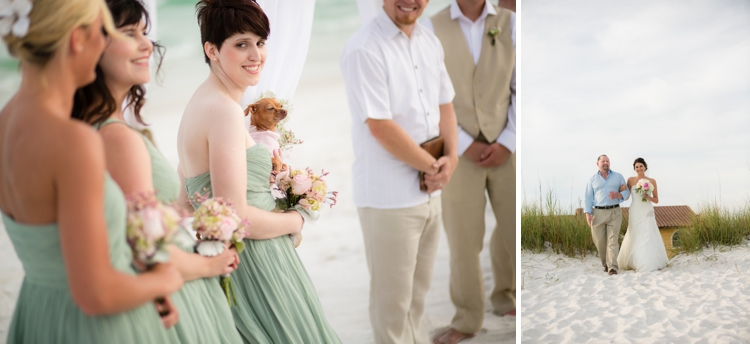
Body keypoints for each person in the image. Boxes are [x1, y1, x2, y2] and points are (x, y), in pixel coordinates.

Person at [0, 0, 183, 342]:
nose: (102, 44)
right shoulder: (72, 140)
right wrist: (164, 280)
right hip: (93, 329)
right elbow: (96, 294)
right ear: (77, 39)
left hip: (38, 313)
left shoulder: (6, 122)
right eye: (103, 34)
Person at [71, 0, 243, 342]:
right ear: (92, 45)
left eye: (145, 32)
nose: (148, 43)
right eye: (130, 33)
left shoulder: (90, 129)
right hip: (173, 300)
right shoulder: (116, 137)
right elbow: (145, 249)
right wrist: (212, 264)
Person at [176, 1, 341, 343]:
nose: (256, 55)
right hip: (259, 265)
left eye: (260, 42)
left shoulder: (201, 104)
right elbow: (236, 215)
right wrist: (298, 217)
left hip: (243, 262)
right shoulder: (223, 111)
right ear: (212, 50)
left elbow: (190, 202)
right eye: (241, 44)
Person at [340, 0, 459, 342]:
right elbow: (379, 125)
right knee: (391, 306)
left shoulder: (429, 41)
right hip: (387, 197)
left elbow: (445, 104)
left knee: (417, 297)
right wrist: (434, 167)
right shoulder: (364, 48)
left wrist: (450, 159)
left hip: (430, 189)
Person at [423, 0, 516, 342]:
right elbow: (428, 95)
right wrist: (461, 143)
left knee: (512, 229)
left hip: (509, 145)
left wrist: (509, 139)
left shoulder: (512, 22)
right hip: (456, 150)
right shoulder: (431, 27)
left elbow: (521, 86)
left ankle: (505, 296)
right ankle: (466, 320)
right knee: (463, 239)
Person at [617, 157, 668, 272]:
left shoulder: (652, 181)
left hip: (646, 209)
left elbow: (656, 200)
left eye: (641, 166)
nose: (639, 168)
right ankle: (633, 261)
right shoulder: (630, 180)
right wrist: (621, 190)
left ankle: (648, 261)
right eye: (636, 167)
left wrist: (648, 196)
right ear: (634, 169)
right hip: (635, 209)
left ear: (645, 167)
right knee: (634, 232)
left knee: (648, 232)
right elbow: (627, 197)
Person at [584, 155, 630, 276]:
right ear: (597, 163)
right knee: (599, 241)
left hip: (614, 212)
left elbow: (626, 192)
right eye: (603, 161)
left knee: (612, 240)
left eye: (607, 161)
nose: (606, 163)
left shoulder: (618, 177)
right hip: (597, 213)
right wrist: (587, 213)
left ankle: (612, 267)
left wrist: (618, 195)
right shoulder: (592, 179)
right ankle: (606, 264)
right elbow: (588, 198)